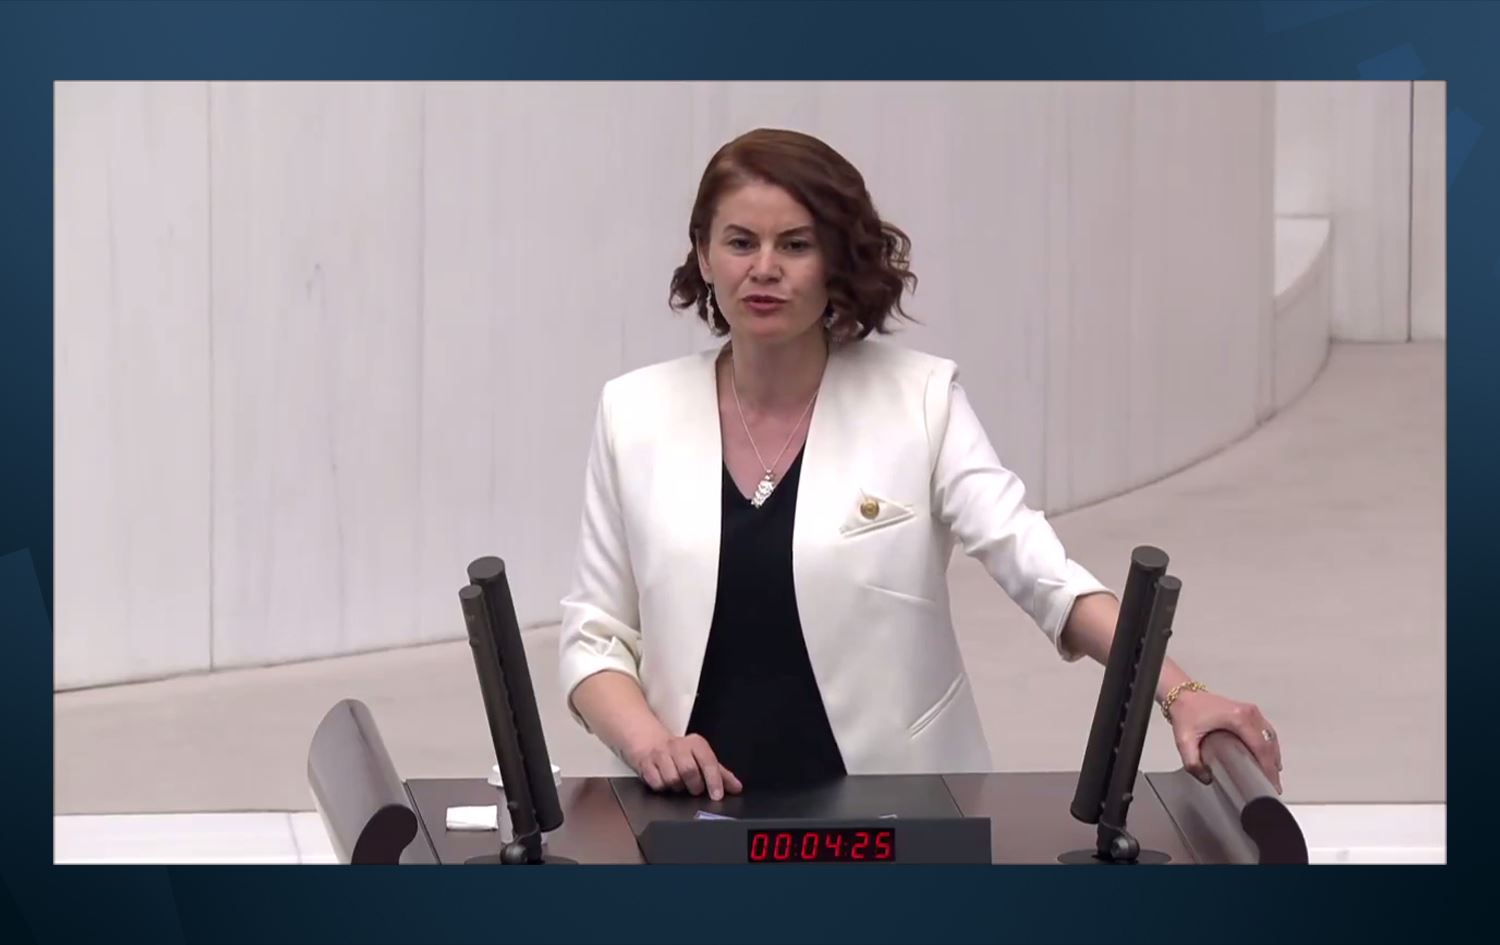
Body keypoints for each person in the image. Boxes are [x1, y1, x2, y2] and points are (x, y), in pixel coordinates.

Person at [557, 128, 1283, 802]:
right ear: (704, 252)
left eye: (796, 244)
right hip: (693, 818)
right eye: (741, 242)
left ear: (836, 259)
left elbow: (1040, 569)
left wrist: (1181, 693)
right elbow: (594, 638)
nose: (765, 269)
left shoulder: (921, 398)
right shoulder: (634, 412)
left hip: (899, 817)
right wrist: (651, 744)